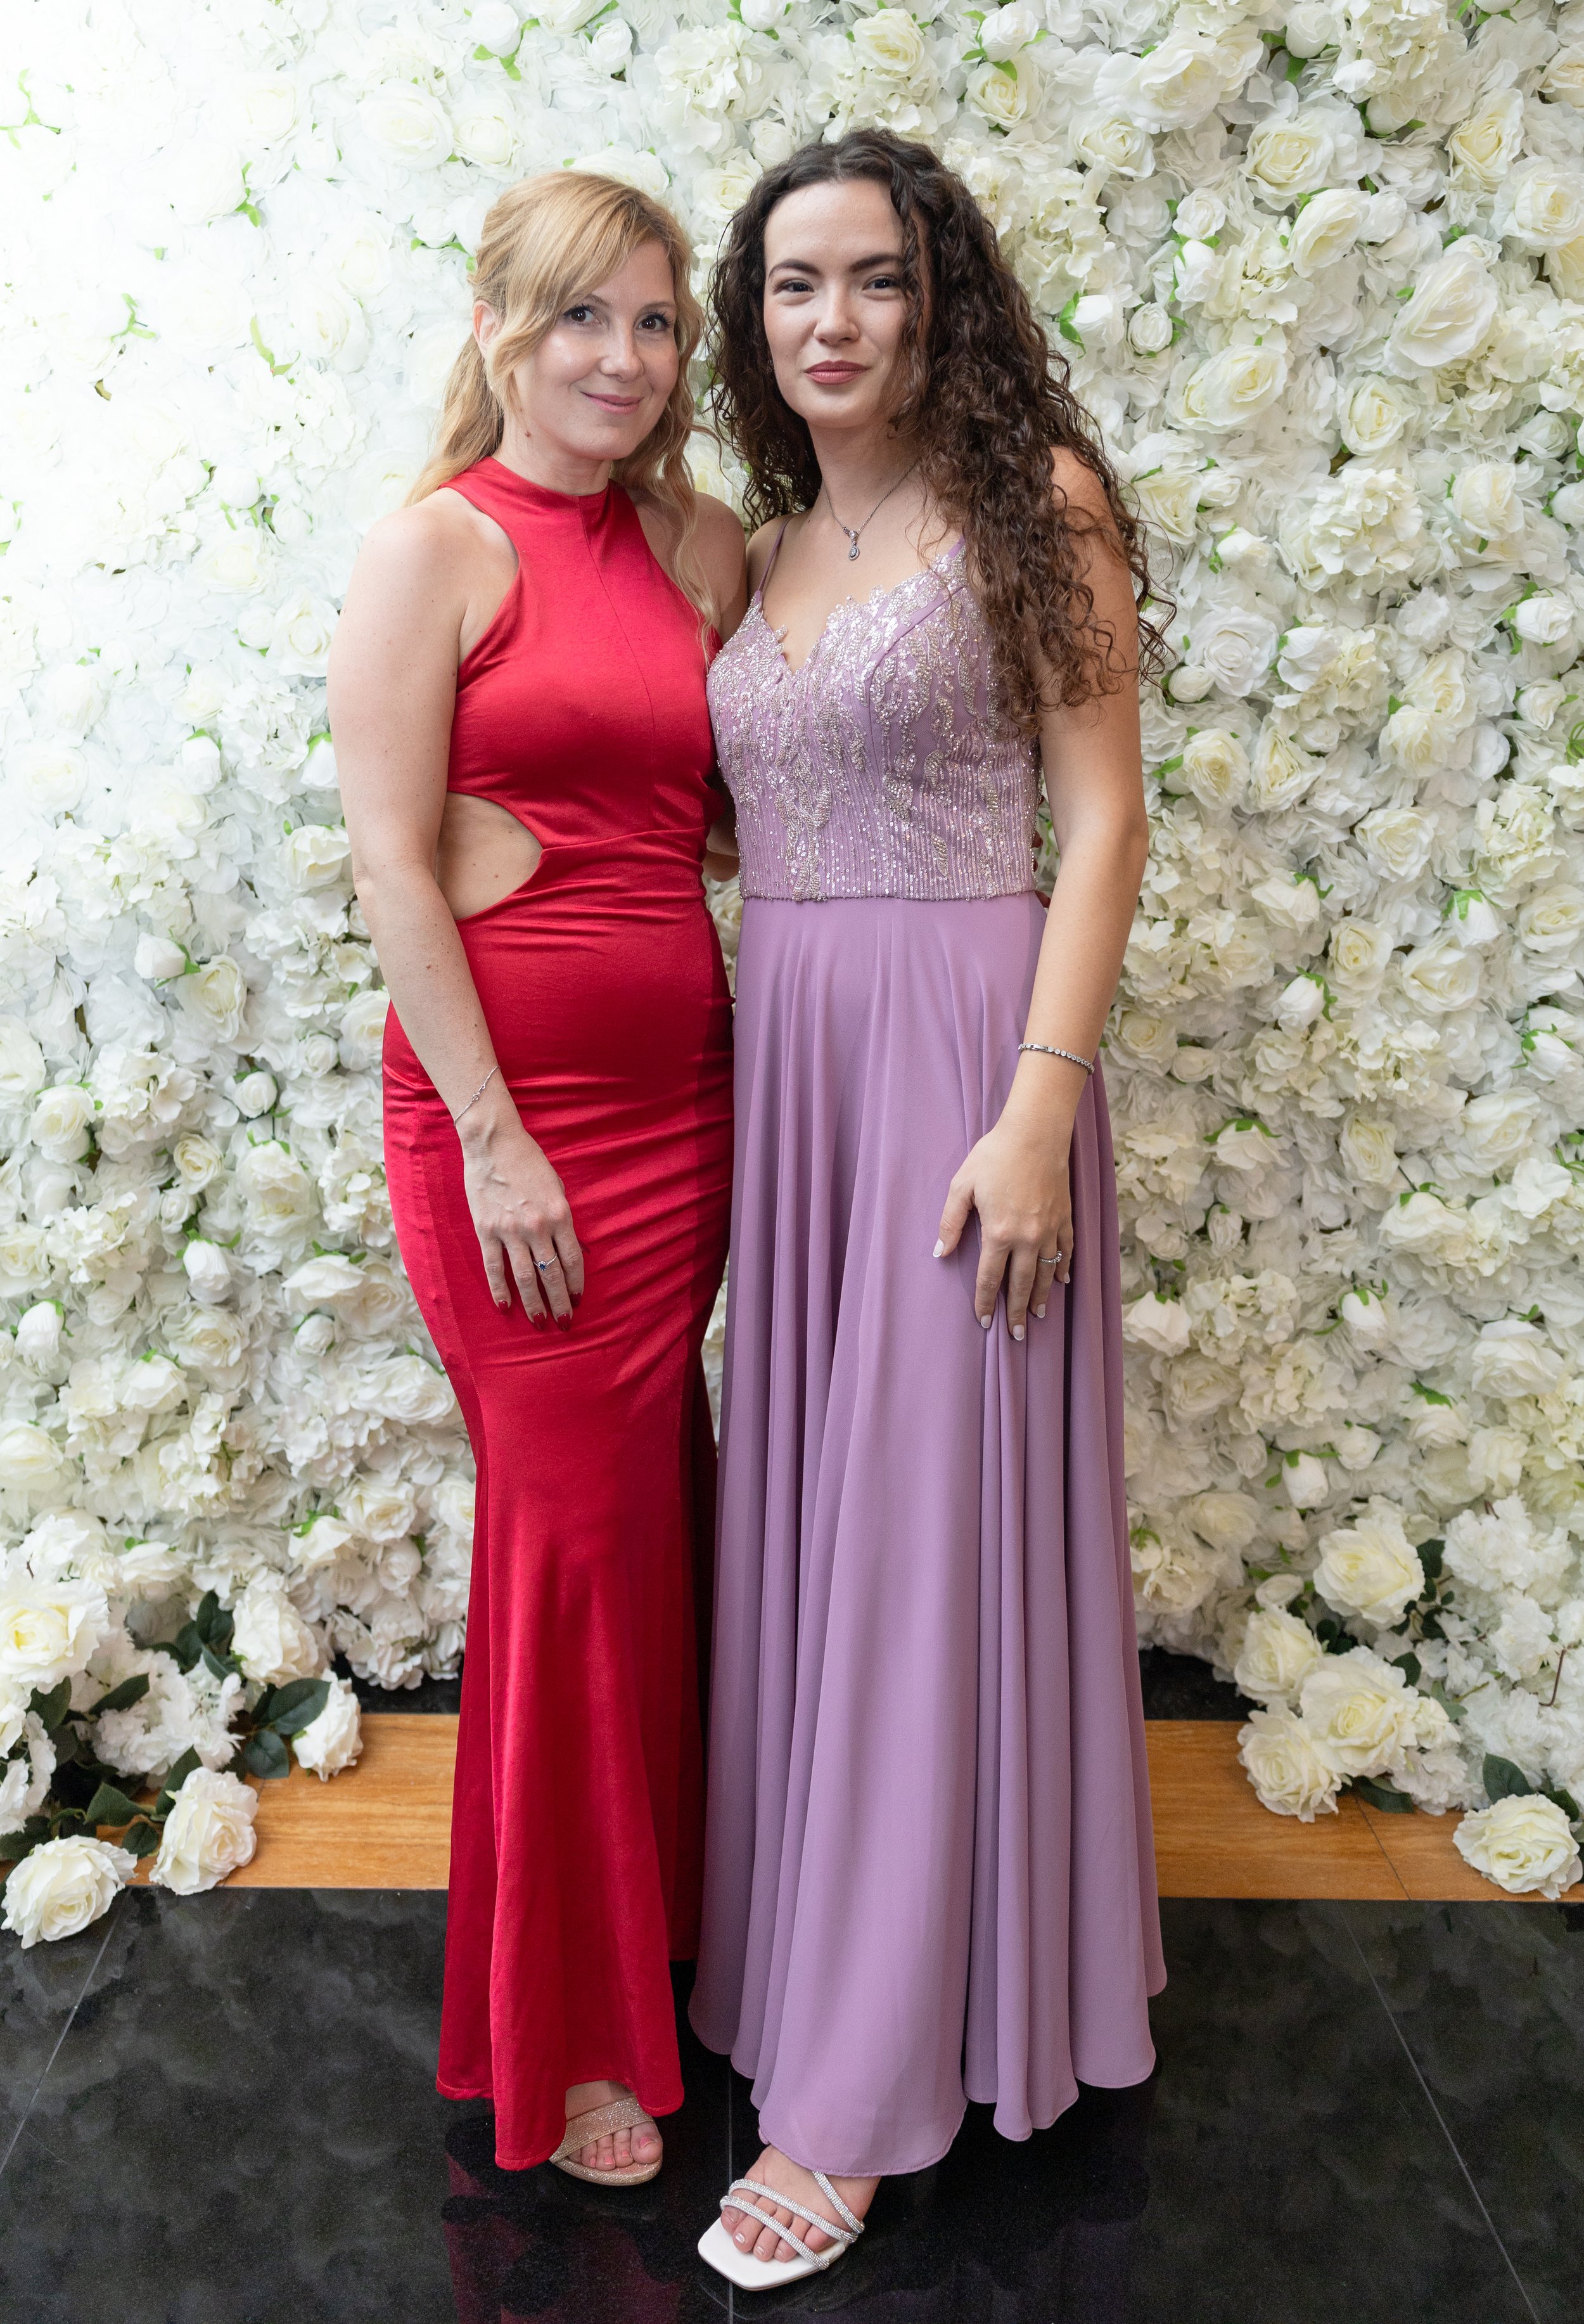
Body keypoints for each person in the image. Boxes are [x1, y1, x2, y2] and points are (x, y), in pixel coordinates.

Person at [689, 129, 1167, 2289]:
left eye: (874, 277)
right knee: (829, 1532)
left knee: (911, 1544)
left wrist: (1038, 1106)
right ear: (752, 317)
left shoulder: (1031, 500)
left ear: (937, 295)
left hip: (968, 1065)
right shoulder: (765, 544)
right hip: (792, 1072)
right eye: (794, 283)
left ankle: (852, 2099)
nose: (833, 319)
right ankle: (833, 1961)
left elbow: (1105, 815)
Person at [329, 171, 745, 2185]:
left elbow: (733, 798)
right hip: (507, 1132)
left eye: (655, 322)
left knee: (652, 1515)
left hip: (688, 1115)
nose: (622, 357)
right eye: (582, 315)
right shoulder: (435, 547)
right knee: (569, 1546)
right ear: (497, 325)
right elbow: (391, 858)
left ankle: (667, 1922)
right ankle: (560, 2032)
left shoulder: (701, 543)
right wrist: (494, 1132)